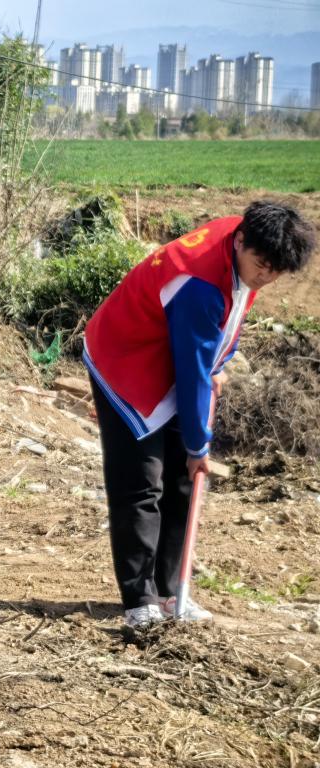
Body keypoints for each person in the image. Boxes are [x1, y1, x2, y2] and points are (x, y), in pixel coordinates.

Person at [83, 201, 315, 629]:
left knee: (182, 480)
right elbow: (191, 375)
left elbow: (234, 311)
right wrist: (198, 445)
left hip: (169, 350)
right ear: (240, 241)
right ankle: (139, 599)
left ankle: (171, 592)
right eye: (262, 266)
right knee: (142, 482)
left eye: (276, 272)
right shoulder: (199, 285)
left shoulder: (246, 244)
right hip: (125, 357)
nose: (265, 277)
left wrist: (220, 362)